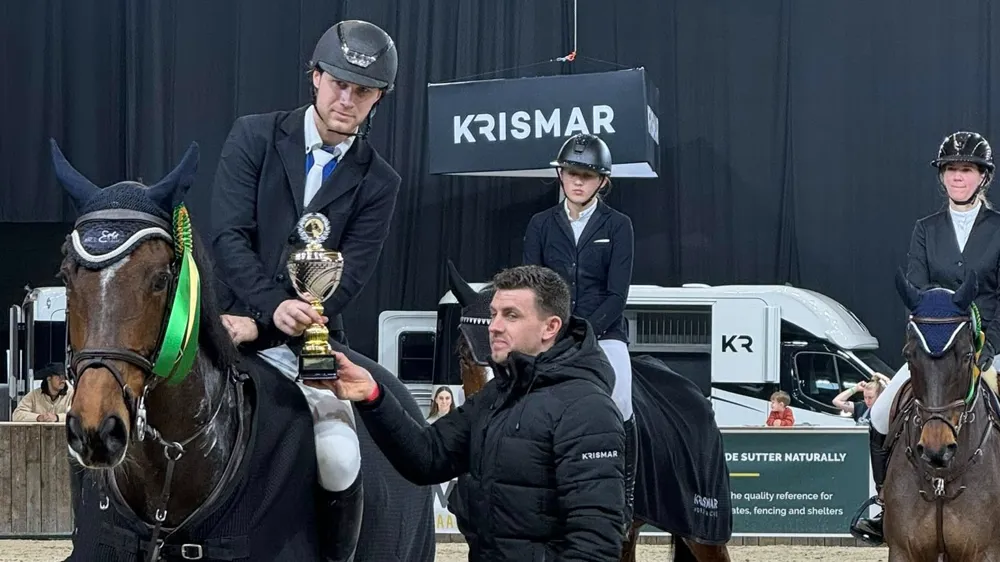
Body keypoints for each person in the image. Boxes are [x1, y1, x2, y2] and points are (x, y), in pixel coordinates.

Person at [208, 19, 400, 562]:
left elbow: (352, 275)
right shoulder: (254, 135)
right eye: (338, 82)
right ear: (315, 77)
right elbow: (228, 235)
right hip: (225, 322)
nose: (347, 97)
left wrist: (273, 324)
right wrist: (266, 307)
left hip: (308, 343)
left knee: (339, 457)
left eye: (362, 90)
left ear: (377, 98)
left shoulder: (379, 181)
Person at [308, 265, 626, 561]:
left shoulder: (587, 409)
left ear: (550, 327)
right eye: (494, 314)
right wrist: (372, 395)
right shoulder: (495, 396)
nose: (495, 327)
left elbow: (594, 544)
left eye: (511, 316)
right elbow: (426, 457)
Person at [852, 130, 1000, 545]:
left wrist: (989, 349)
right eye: (951, 169)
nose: (957, 177)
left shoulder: (998, 229)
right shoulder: (925, 229)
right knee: (881, 414)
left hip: (987, 347)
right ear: (943, 176)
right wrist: (925, 342)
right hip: (936, 349)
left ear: (982, 177)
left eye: (966, 169)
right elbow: (915, 289)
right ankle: (882, 505)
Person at [521, 132, 638, 529]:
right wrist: (549, 330)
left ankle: (626, 493)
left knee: (621, 398)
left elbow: (617, 293)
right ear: (561, 175)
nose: (577, 181)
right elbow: (530, 285)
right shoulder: (540, 224)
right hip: (549, 332)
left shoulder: (618, 225)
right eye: (572, 173)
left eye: (586, 176)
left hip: (604, 333)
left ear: (601, 181)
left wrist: (582, 331)